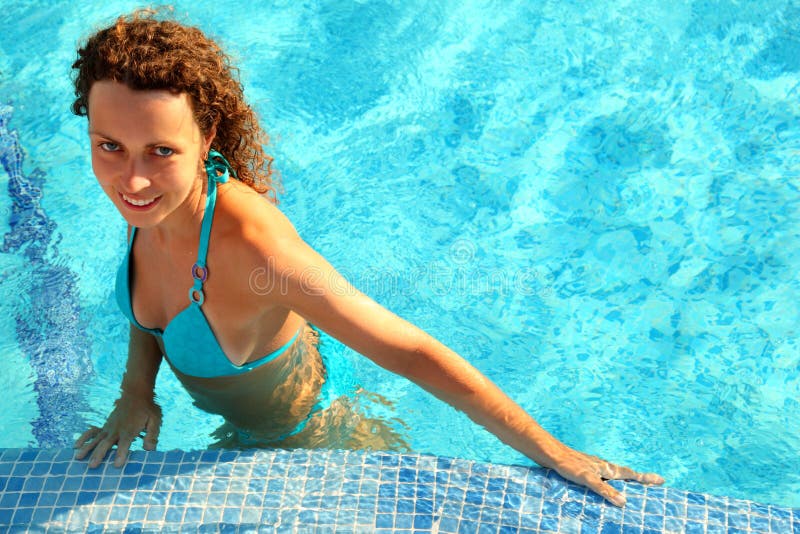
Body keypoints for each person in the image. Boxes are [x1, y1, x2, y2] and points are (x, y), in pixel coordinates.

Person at [71, 10, 663, 507]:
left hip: (322, 443)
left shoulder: (254, 250)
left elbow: (411, 351)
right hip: (243, 434)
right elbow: (155, 307)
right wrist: (135, 391)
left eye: (162, 151)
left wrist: (553, 451)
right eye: (110, 146)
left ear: (206, 136)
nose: (133, 177)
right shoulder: (150, 204)